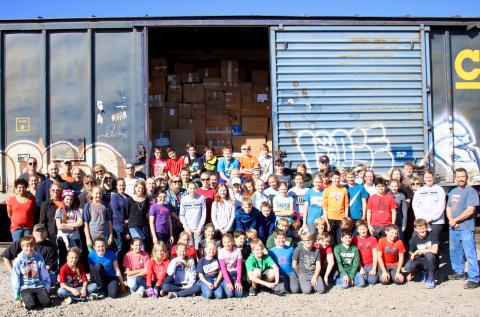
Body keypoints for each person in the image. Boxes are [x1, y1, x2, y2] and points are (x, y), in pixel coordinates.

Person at [446, 167, 480, 289]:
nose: (461, 179)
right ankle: (459, 272)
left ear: (467, 177)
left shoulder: (471, 191)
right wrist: (450, 220)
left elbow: (470, 210)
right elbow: (448, 207)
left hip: (466, 227)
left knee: (470, 253)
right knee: (455, 251)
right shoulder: (452, 191)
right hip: (453, 227)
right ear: (455, 178)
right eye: (458, 176)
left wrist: (455, 220)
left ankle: (474, 278)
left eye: (463, 176)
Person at [11, 236, 51, 310]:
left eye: (31, 246)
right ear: (22, 247)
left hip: (38, 285)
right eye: (27, 246)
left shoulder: (39, 258)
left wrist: (46, 289)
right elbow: (15, 278)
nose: (29, 248)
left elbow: (44, 274)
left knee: (47, 303)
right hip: (25, 287)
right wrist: (16, 297)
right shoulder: (18, 260)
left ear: (34, 246)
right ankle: (25, 298)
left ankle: (35, 297)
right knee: (30, 306)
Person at [412, 169, 446, 242]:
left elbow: (441, 205)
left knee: (434, 242)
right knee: (418, 241)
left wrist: (431, 218)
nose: (428, 179)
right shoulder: (420, 190)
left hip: (436, 222)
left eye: (430, 177)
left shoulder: (439, 189)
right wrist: (421, 218)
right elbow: (415, 205)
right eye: (426, 177)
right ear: (424, 178)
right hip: (421, 221)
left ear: (433, 177)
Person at [404, 218, 438, 289]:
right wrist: (410, 273)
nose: (422, 230)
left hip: (431, 260)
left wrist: (419, 251)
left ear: (427, 228)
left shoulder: (432, 235)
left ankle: (430, 278)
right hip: (420, 260)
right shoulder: (413, 240)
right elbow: (411, 256)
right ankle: (422, 271)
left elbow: (435, 250)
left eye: (423, 228)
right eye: (419, 229)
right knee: (408, 266)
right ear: (415, 229)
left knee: (429, 254)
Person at [268, 230, 300, 294]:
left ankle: (293, 283)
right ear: (275, 239)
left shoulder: (290, 249)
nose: (281, 240)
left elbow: (295, 261)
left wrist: (298, 273)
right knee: (283, 290)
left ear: (285, 238)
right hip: (280, 274)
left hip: (291, 273)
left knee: (295, 290)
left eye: (283, 238)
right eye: (279, 238)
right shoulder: (272, 251)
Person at [323, 170, 349, 245]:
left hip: (341, 218)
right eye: (335, 178)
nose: (337, 180)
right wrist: (327, 222)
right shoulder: (327, 190)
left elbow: (346, 205)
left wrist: (345, 219)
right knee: (331, 241)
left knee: (340, 240)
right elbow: (325, 206)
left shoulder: (344, 190)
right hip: (330, 218)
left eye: (338, 178)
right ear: (331, 178)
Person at [180, 182, 207, 250]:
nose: (192, 190)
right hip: (188, 229)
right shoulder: (184, 199)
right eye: (190, 188)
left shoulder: (201, 198)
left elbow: (204, 214)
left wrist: (200, 228)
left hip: (198, 228)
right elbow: (182, 215)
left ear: (197, 189)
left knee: (198, 249)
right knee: (190, 248)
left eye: (194, 188)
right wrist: (186, 227)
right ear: (187, 189)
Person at [352, 220, 378, 285]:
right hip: (360, 264)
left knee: (372, 281)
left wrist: (374, 269)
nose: (363, 231)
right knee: (364, 279)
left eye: (364, 229)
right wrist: (360, 268)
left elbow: (375, 255)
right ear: (357, 230)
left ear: (367, 228)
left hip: (370, 264)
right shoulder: (355, 239)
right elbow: (355, 256)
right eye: (360, 229)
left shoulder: (373, 239)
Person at [126, 180, 150, 248]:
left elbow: (146, 213)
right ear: (135, 188)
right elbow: (126, 214)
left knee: (142, 243)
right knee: (139, 244)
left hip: (143, 225)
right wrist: (126, 231)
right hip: (133, 225)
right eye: (139, 187)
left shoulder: (146, 199)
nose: (140, 189)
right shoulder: (130, 199)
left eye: (142, 188)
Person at [218, 233, 244, 298]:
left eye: (229, 241)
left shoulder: (237, 250)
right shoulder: (221, 251)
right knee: (230, 295)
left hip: (235, 274)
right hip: (226, 274)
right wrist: (229, 282)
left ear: (232, 241)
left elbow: (239, 267)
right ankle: (223, 283)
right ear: (222, 243)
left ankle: (234, 283)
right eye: (224, 242)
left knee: (239, 295)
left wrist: (238, 281)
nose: (227, 244)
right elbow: (223, 269)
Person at [110, 178, 129, 257]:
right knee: (119, 247)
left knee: (126, 247)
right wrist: (124, 220)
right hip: (118, 225)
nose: (122, 187)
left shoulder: (128, 197)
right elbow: (115, 211)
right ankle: (118, 266)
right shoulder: (115, 197)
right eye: (120, 185)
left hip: (127, 225)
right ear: (117, 187)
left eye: (123, 185)